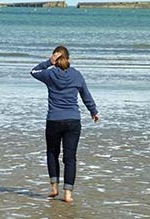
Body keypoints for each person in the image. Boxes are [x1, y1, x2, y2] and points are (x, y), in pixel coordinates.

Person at [30, 45, 99, 202]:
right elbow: (86, 96)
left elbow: (33, 71)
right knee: (70, 158)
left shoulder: (50, 74)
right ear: (68, 59)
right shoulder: (76, 75)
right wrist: (93, 111)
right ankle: (68, 194)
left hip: (54, 120)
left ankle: (54, 188)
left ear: (55, 60)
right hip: (73, 121)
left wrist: (48, 62)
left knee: (52, 153)